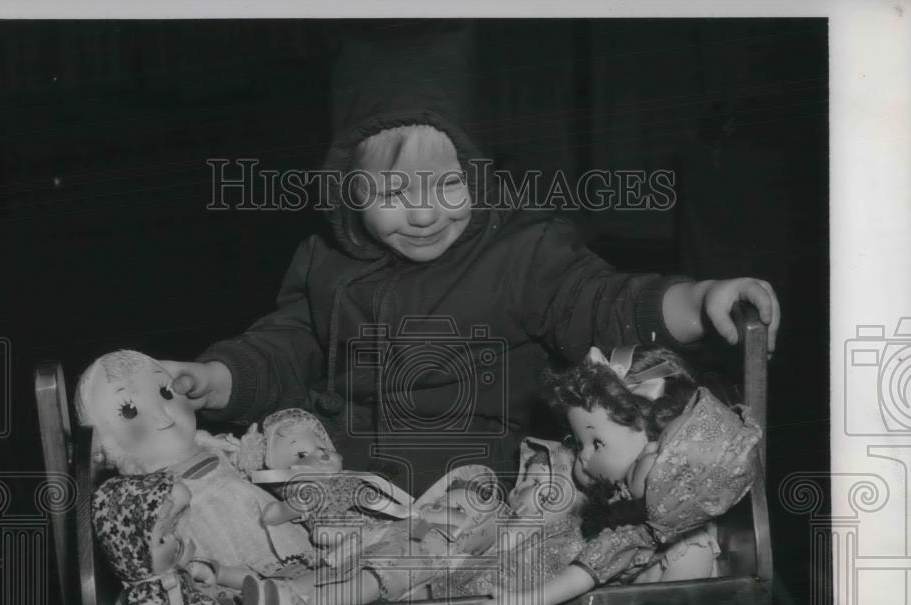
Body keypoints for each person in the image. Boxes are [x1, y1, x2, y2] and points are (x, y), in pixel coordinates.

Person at [162, 31, 779, 498]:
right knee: (208, 487)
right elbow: (286, 345)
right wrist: (218, 377)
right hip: (338, 468)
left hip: (470, 479)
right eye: (394, 194)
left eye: (447, 186)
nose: (425, 216)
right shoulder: (325, 261)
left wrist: (698, 301)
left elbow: (606, 303)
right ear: (348, 193)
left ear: (478, 173)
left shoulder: (523, 250)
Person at [474, 345, 763, 605]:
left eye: (596, 444)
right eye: (578, 442)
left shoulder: (675, 544)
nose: (583, 457)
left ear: (657, 440)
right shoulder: (613, 500)